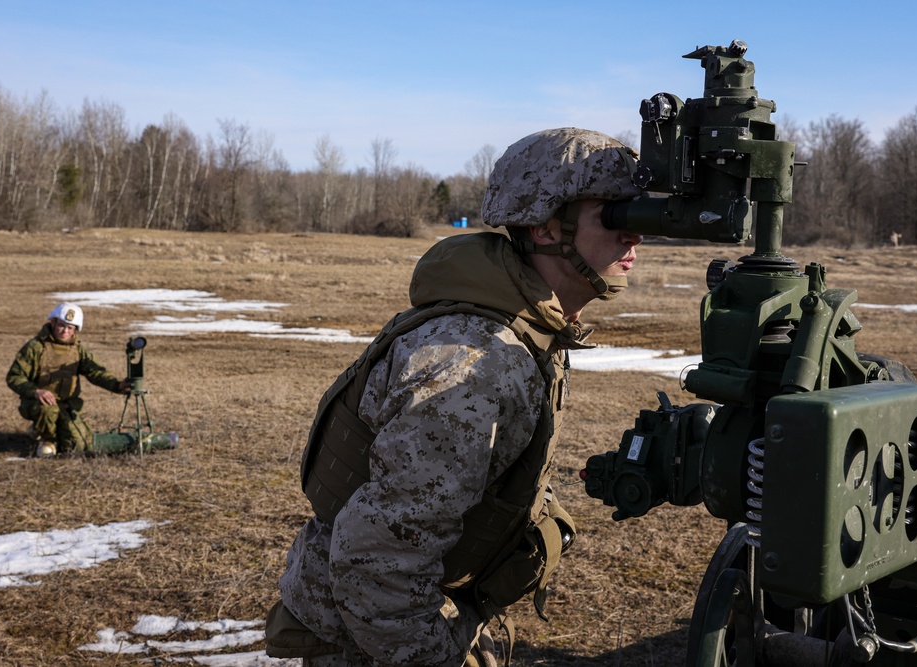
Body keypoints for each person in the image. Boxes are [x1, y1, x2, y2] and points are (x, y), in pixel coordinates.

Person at [266, 128, 645, 666]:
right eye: (614, 215)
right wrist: (439, 656)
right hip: (375, 644)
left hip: (415, 616)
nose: (635, 237)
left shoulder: (526, 327)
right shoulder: (476, 361)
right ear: (544, 226)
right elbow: (378, 564)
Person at [7, 302, 131, 457]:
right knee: (47, 413)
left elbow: (95, 372)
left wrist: (117, 385)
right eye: (61, 325)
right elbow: (14, 376)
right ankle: (47, 438)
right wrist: (36, 391)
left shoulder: (77, 350)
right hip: (38, 403)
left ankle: (48, 430)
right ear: (52, 322)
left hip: (67, 406)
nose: (65, 331)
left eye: (70, 328)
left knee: (79, 445)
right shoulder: (35, 347)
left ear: (75, 330)